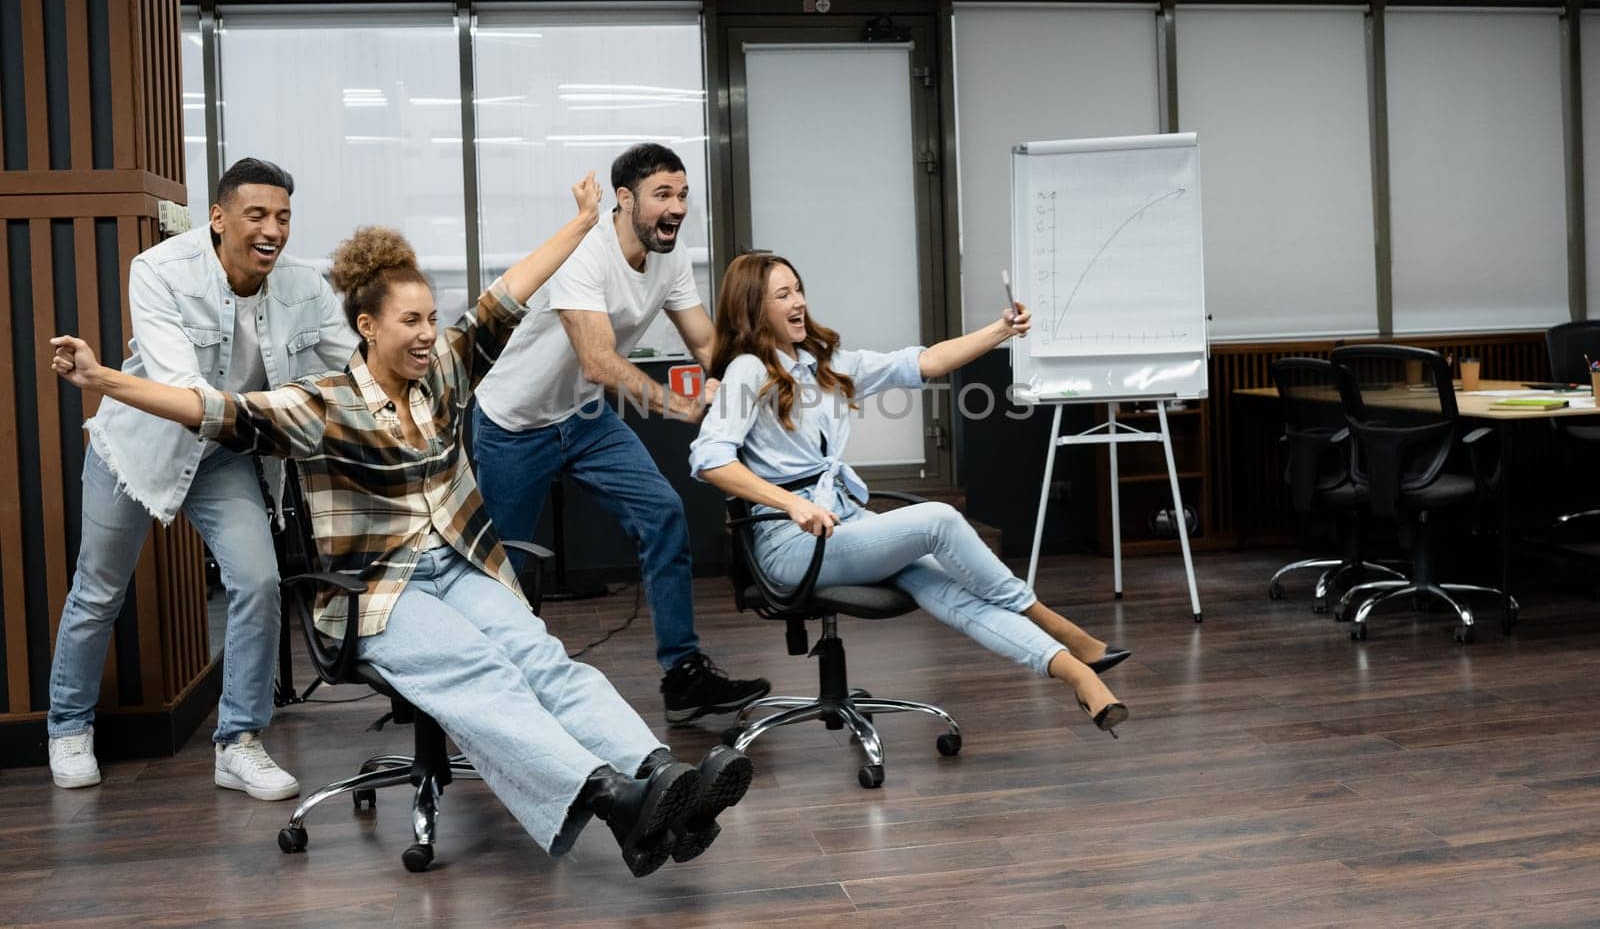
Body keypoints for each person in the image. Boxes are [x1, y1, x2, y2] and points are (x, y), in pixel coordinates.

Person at [47, 175, 753, 878]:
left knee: (541, 658)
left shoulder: (445, 370)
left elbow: (513, 290)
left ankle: (662, 778)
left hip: (457, 566)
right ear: (366, 327)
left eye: (430, 320)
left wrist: (585, 222)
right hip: (378, 594)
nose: (427, 335)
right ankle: (612, 799)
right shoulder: (318, 405)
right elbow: (209, 410)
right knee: (486, 675)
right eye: (410, 322)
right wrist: (104, 378)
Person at [689, 252, 1133, 736]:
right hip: (789, 543)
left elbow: (921, 361)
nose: (798, 302)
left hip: (842, 525)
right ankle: (1055, 623)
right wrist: (791, 502)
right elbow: (710, 460)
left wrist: (1000, 330)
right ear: (754, 308)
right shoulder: (746, 372)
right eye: (782, 295)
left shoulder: (823, 365)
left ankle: (1074, 671)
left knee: (946, 586)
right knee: (937, 520)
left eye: (798, 289)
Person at [47, 158, 358, 798]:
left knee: (259, 581)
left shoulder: (305, 286)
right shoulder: (159, 270)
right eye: (257, 215)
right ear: (218, 218)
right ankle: (67, 725)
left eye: (283, 217)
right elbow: (179, 383)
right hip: (139, 446)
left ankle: (238, 741)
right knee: (99, 590)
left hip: (227, 453)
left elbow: (352, 364)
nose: (272, 230)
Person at [472, 143, 768, 724]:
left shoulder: (670, 257)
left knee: (663, 513)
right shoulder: (587, 253)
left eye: (683, 194)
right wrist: (686, 407)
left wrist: (755, 381)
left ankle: (683, 677)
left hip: (583, 420)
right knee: (499, 567)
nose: (678, 206)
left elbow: (707, 345)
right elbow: (599, 363)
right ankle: (491, 690)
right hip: (515, 423)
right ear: (626, 199)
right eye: (664, 194)